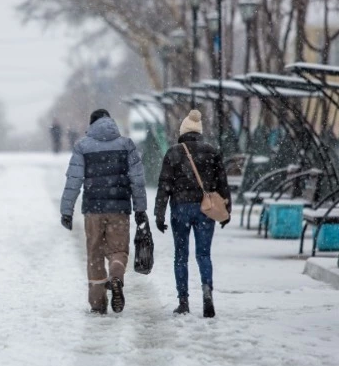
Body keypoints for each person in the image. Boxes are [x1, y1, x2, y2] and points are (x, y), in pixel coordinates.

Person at [60, 109, 148, 315]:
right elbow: (137, 180)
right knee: (118, 249)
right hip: (119, 209)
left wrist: (67, 210)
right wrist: (140, 209)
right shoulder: (126, 145)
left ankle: (98, 303)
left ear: (91, 125)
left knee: (95, 254)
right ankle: (116, 276)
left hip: (93, 211)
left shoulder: (82, 146)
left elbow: (73, 180)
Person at [154, 110, 231, 318]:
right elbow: (222, 184)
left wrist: (159, 214)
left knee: (181, 256)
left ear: (183, 132)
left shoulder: (173, 152)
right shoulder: (212, 152)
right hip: (205, 209)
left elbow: (164, 186)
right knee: (204, 254)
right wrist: (226, 210)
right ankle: (207, 293)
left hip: (180, 208)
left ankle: (183, 301)